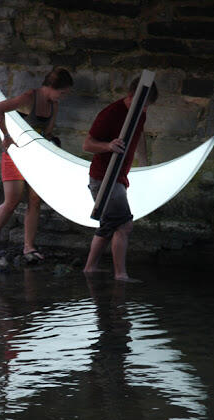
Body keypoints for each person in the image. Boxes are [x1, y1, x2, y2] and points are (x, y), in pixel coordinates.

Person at [0, 67, 73, 263]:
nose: (63, 97)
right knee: (12, 201)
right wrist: (6, 135)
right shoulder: (29, 97)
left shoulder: (53, 105)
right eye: (62, 92)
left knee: (34, 201)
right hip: (16, 155)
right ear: (52, 87)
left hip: (37, 159)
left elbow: (47, 133)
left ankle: (28, 246)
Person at [83, 76, 158, 279]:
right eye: (143, 105)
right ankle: (120, 275)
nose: (145, 110)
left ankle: (90, 268)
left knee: (108, 225)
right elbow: (87, 144)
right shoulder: (110, 114)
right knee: (124, 225)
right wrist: (108, 146)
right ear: (132, 96)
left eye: (147, 106)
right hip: (104, 177)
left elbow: (138, 134)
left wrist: (143, 161)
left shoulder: (139, 114)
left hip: (119, 176)